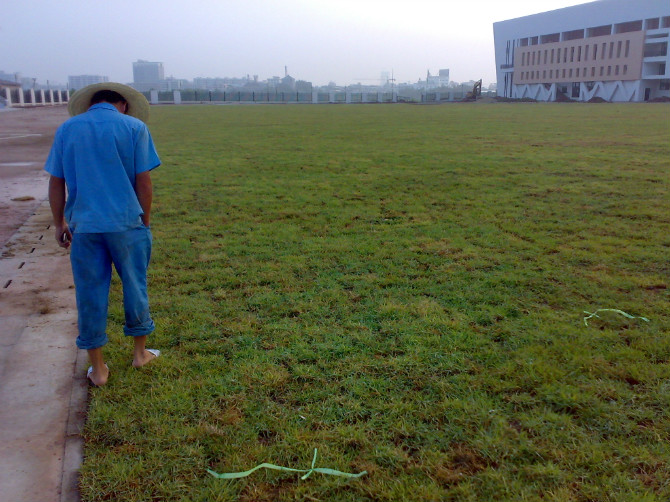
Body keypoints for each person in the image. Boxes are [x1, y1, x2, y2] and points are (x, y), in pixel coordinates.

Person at [45, 82, 161, 387]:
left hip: (85, 226)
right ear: (122, 104)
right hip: (127, 223)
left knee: (89, 294)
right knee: (135, 286)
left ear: (91, 104)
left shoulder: (68, 129)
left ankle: (98, 370)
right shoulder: (134, 128)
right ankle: (140, 354)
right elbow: (144, 182)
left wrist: (60, 224)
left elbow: (56, 183)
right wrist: (144, 221)